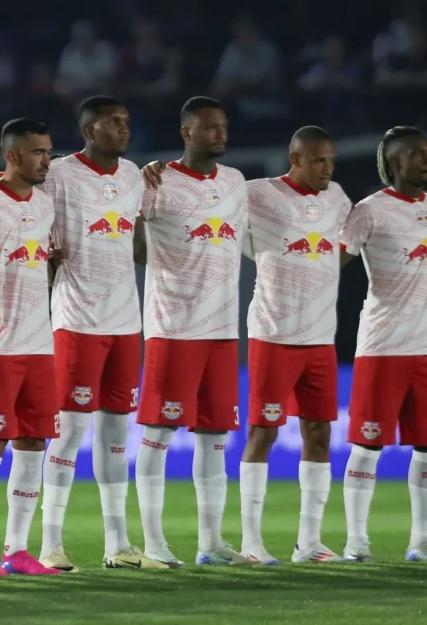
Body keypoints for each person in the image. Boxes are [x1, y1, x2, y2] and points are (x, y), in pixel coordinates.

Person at [37, 96, 165, 572]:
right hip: (77, 320)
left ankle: (119, 543)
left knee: (115, 437)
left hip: (126, 323)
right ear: (89, 130)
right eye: (114, 122)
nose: (124, 128)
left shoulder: (134, 176)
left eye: (127, 120)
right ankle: (52, 544)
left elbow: (136, 240)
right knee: (68, 433)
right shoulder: (58, 174)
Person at [133, 96, 254, 567]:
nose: (220, 134)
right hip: (173, 328)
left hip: (223, 328)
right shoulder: (158, 182)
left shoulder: (235, 182)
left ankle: (211, 544)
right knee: (159, 433)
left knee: (214, 437)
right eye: (209, 127)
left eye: (223, 126)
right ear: (186, 131)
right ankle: (155, 543)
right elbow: (135, 244)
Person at [338, 126, 427, 562]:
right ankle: (356, 542)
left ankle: (422, 543)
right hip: (384, 344)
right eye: (415, 154)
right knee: (368, 444)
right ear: (395, 163)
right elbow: (333, 261)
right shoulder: (369, 210)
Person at [238, 126, 352, 564]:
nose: (327, 168)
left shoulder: (337, 197)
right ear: (295, 157)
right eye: (318, 160)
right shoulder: (260, 193)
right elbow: (212, 193)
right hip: (274, 334)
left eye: (331, 161)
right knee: (263, 432)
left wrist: (316, 267)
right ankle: (251, 542)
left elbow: (344, 244)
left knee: (319, 433)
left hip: (321, 336)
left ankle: (310, 543)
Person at [0, 118, 63, 578]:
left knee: (34, 442)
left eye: (49, 151)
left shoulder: (44, 205)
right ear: (14, 155)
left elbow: (47, 260)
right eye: (39, 152)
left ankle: (18, 549)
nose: (47, 160)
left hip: (39, 342)